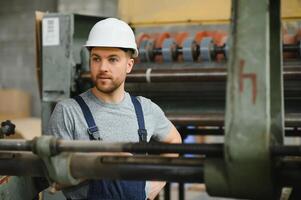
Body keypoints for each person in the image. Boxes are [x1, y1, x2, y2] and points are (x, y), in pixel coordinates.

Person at [47, 18, 182, 200]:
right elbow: (55, 178)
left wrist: (157, 182)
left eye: (112, 59)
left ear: (129, 65)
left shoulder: (145, 109)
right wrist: (104, 161)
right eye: (96, 59)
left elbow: (174, 140)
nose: (103, 68)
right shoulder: (68, 111)